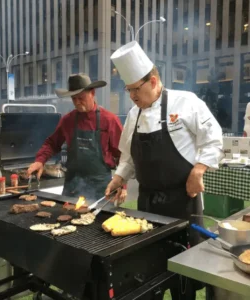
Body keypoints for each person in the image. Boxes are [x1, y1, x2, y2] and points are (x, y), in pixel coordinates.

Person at [105, 41, 224, 299]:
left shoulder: (186, 103)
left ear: (154, 81)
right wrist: (118, 177)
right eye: (129, 90)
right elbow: (128, 156)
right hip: (147, 207)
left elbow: (213, 138)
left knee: (184, 278)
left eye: (136, 89)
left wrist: (198, 169)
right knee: (148, 275)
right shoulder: (133, 115)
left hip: (183, 204)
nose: (133, 96)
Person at [27, 73, 126, 202]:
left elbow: (122, 155)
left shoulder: (109, 120)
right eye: (74, 98)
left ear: (92, 93)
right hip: (73, 186)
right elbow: (52, 143)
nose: (77, 102)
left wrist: (123, 185)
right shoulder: (68, 120)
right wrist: (40, 161)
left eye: (81, 97)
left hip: (101, 187)